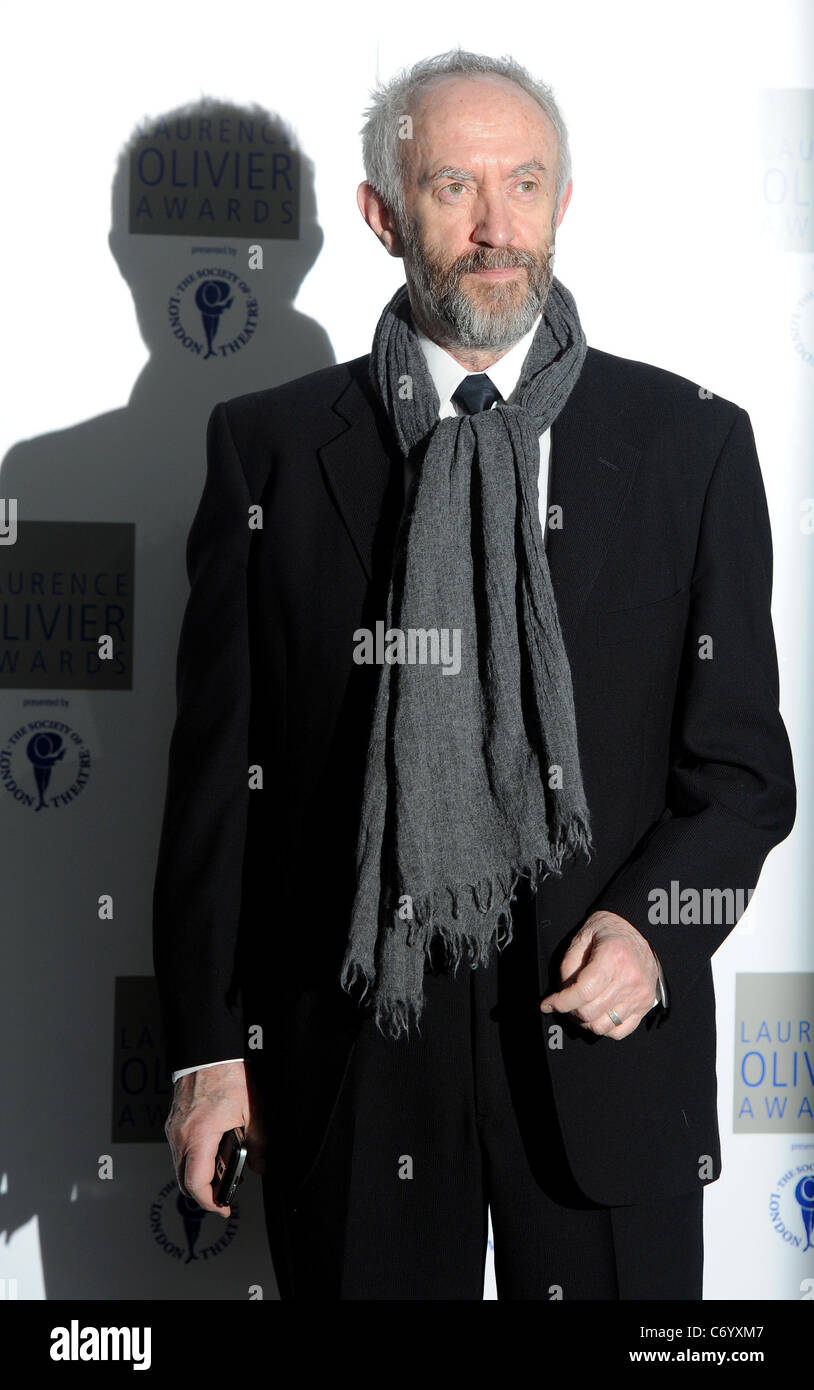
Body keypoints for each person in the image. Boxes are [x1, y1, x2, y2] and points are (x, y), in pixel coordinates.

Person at [153, 49, 796, 1300]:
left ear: (565, 204)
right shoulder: (270, 452)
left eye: (525, 184)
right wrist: (207, 1055)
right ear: (384, 214)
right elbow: (217, 799)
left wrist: (656, 930)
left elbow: (739, 776)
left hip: (603, 1048)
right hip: (352, 1043)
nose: (496, 227)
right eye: (454, 185)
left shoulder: (689, 446)